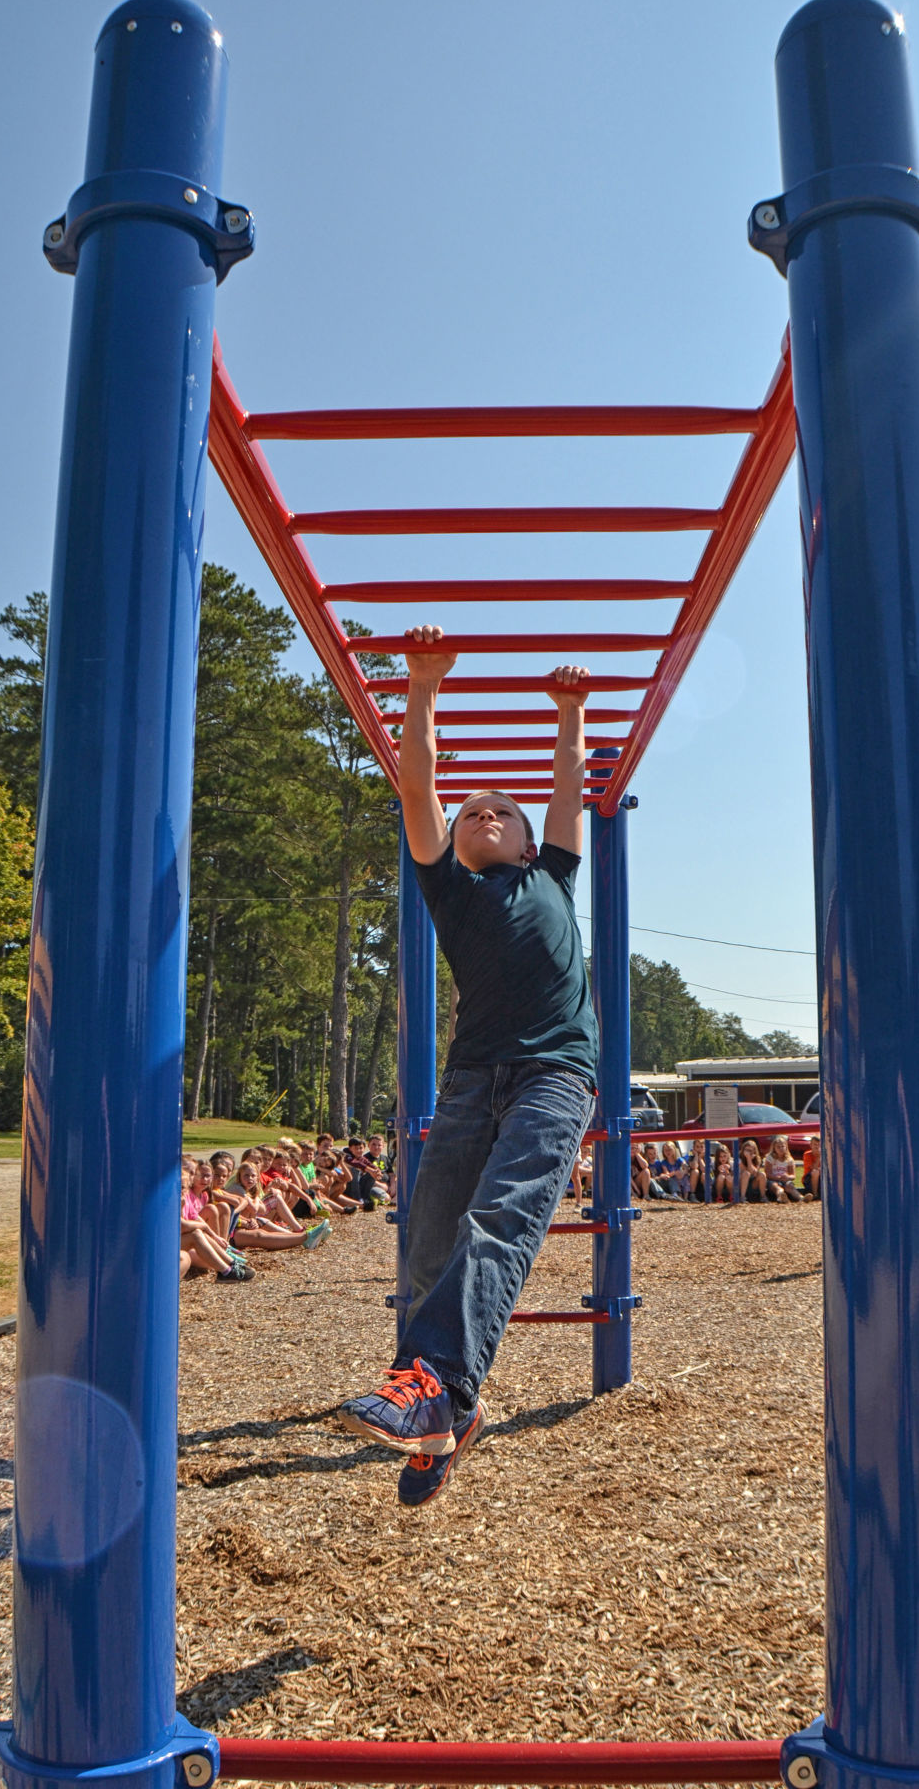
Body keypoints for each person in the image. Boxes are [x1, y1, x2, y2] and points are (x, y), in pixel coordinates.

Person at [340, 624, 598, 1507]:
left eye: (505, 810)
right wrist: (421, 688)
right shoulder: (445, 883)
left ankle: (428, 1387)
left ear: (529, 844)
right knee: (424, 1251)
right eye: (472, 809)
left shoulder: (554, 876)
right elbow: (418, 783)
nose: (486, 810)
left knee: (498, 1223)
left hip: (556, 1073)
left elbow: (568, 788)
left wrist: (568, 715)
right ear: (454, 837)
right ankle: (449, 1410)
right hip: (471, 1076)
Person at [763, 1134, 803, 1203]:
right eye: (778, 1147)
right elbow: (768, 1174)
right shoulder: (770, 1158)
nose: (781, 1149)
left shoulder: (789, 1159)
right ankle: (781, 1196)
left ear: (786, 1147)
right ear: (774, 1148)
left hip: (785, 1180)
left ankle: (801, 1198)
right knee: (776, 1187)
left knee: (790, 1186)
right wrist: (778, 1178)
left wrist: (787, 1177)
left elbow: (793, 1175)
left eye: (783, 1146)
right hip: (773, 1180)